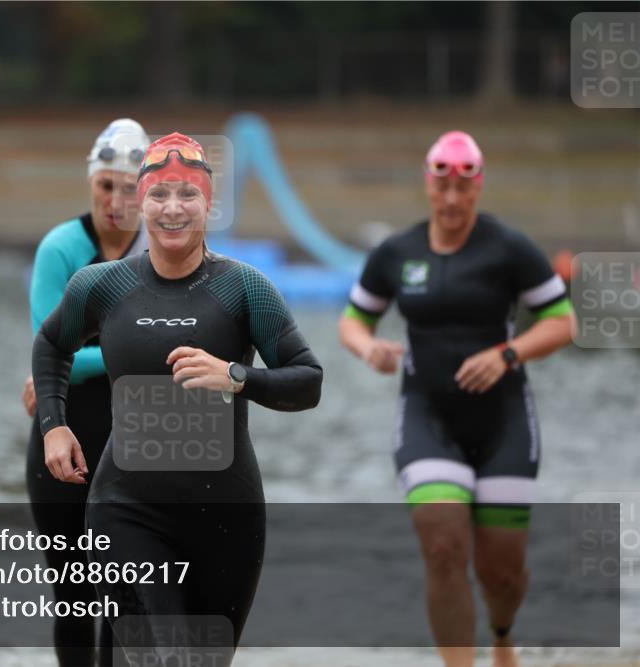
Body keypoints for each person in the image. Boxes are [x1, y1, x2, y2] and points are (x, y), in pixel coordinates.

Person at [32, 132, 323, 665]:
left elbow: (307, 381)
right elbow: (51, 344)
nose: (172, 209)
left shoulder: (245, 289)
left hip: (227, 518)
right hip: (125, 510)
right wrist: (55, 424)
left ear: (209, 204)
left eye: (187, 195)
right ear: (140, 201)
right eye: (159, 194)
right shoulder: (101, 286)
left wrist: (235, 375)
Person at [338, 131, 575, 667]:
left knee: (502, 570)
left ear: (478, 187)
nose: (450, 202)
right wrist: (369, 347)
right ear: (427, 185)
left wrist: (508, 354)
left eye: (462, 190)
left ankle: (503, 638)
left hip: (504, 421)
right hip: (427, 417)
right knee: (444, 548)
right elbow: (353, 320)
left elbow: (564, 322)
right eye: (441, 188)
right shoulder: (397, 252)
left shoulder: (509, 248)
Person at [24, 118, 150, 667]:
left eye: (129, 188)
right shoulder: (62, 249)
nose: (116, 201)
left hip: (140, 444)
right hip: (64, 440)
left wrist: (88, 358)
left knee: (127, 596)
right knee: (74, 599)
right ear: (91, 184)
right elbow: (52, 354)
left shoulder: (165, 250)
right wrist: (135, 355)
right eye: (106, 186)